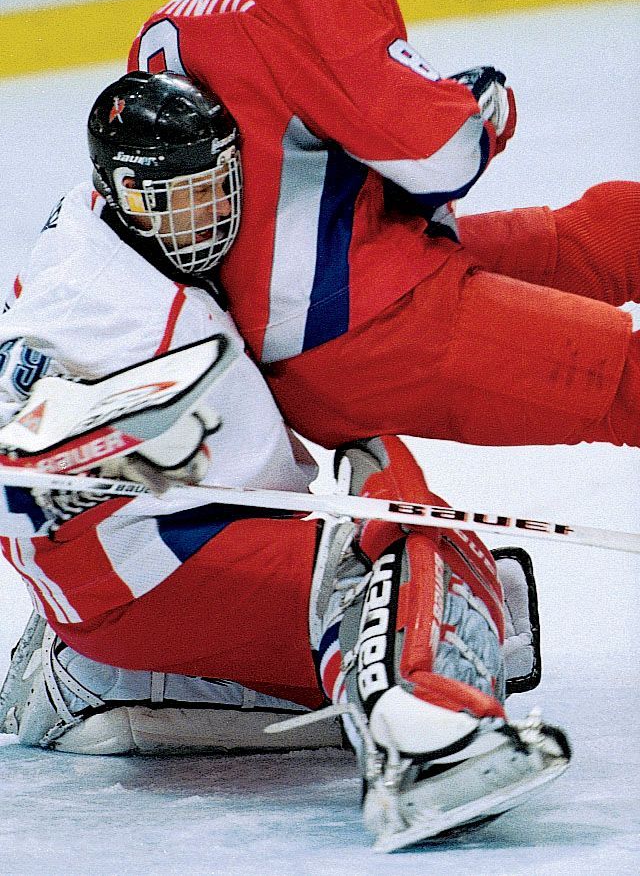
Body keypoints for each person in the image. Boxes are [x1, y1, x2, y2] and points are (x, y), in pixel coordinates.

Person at [0, 70, 569, 850]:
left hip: (150, 555)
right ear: (128, 192)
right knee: (393, 558)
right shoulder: (90, 304)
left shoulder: (107, 221)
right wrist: (96, 447)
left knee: (407, 506)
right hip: (151, 570)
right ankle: (421, 750)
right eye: (187, 196)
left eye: (220, 185)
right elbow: (19, 450)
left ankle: (94, 675)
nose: (215, 213)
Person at [127, 0, 639, 451]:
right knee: (630, 382)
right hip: (363, 326)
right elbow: (444, 158)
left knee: (621, 224)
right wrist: (482, 114)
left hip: (311, 321)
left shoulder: (174, 16)